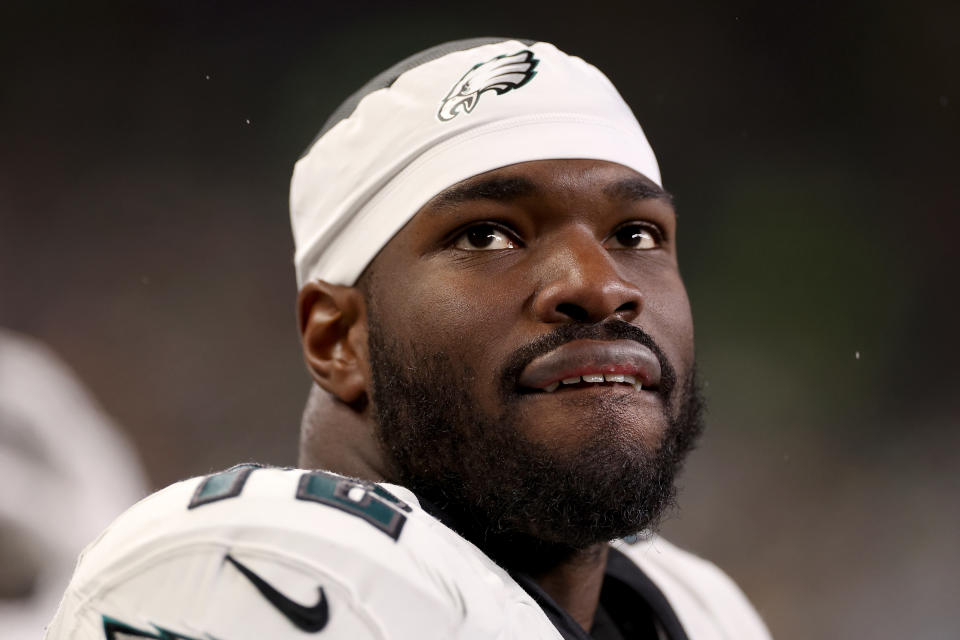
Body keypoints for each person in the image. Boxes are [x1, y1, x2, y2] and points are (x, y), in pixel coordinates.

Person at [45, 38, 772, 639]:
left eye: (634, 233)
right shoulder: (255, 570)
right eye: (487, 234)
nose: (600, 283)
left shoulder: (703, 611)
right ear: (338, 338)